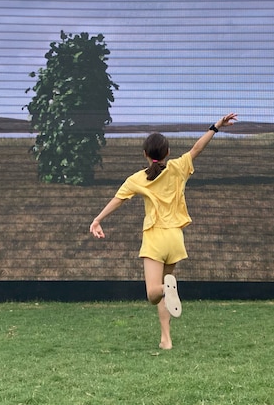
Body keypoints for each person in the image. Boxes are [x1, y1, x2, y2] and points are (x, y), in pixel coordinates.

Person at [90, 112, 238, 349]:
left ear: (145, 155)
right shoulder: (178, 167)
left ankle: (168, 292)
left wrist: (97, 220)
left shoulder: (138, 178)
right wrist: (216, 127)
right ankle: (165, 339)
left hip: (155, 238)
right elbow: (197, 148)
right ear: (168, 153)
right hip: (175, 239)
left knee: (153, 293)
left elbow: (117, 200)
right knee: (164, 291)